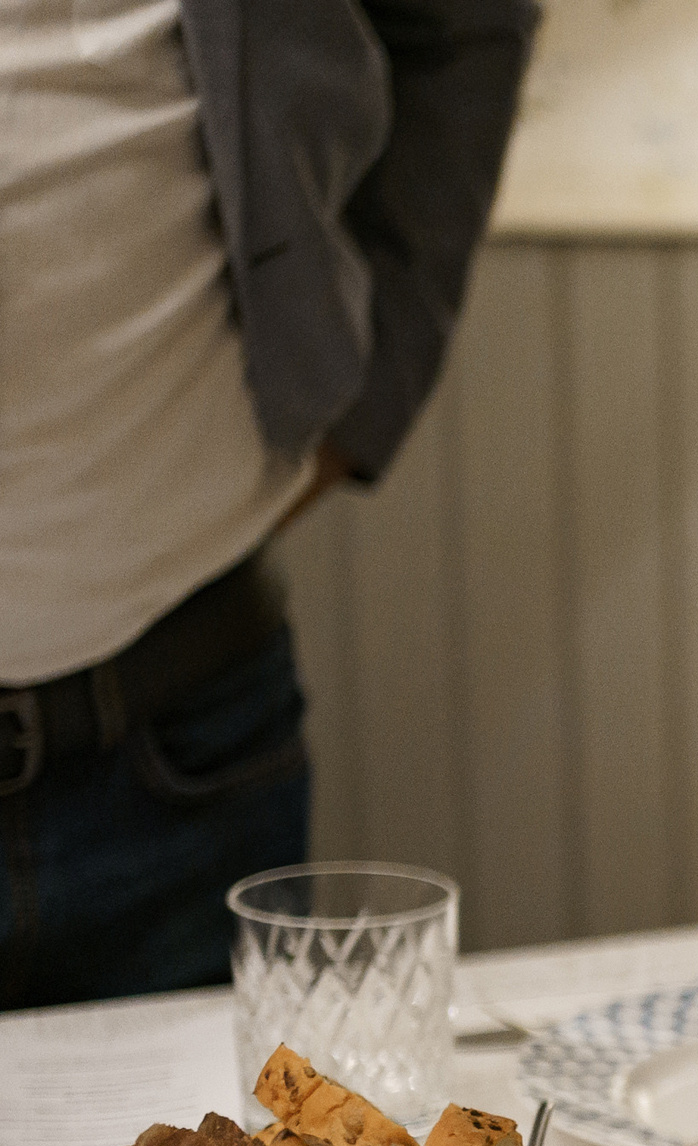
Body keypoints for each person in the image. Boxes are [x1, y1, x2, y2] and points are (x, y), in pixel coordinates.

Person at [0, 0, 538, 1010]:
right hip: (187, 727)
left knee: (251, 1116)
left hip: (183, 728)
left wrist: (369, 402)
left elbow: (470, 25)